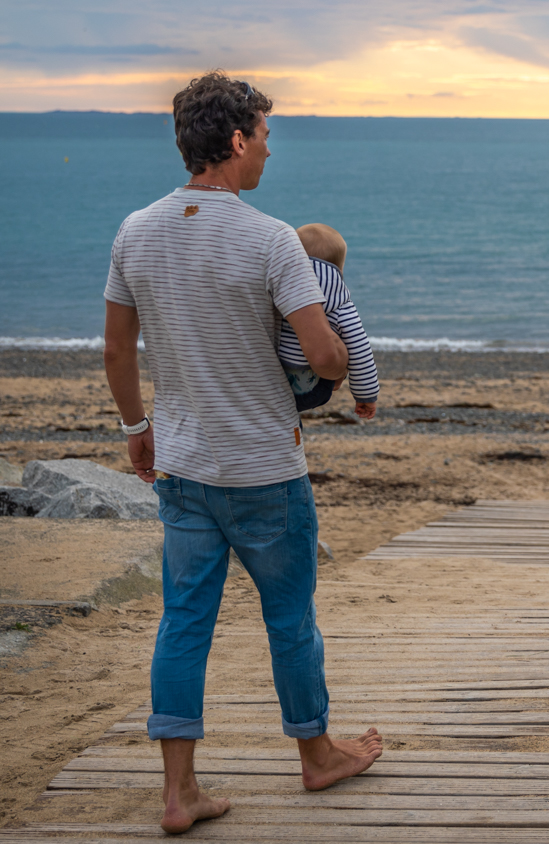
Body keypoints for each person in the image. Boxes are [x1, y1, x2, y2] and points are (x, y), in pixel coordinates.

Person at [101, 71, 382, 835]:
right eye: (262, 135)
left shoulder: (136, 229)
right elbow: (326, 358)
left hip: (184, 466)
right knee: (290, 620)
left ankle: (179, 791)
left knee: (183, 621)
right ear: (234, 140)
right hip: (264, 468)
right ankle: (317, 757)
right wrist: (334, 349)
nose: (267, 149)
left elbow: (119, 350)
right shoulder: (270, 239)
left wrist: (137, 431)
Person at [279, 223, 379, 416]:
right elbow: (360, 349)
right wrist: (365, 395)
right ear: (339, 269)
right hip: (310, 391)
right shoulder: (342, 303)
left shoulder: (278, 286)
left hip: (266, 382)